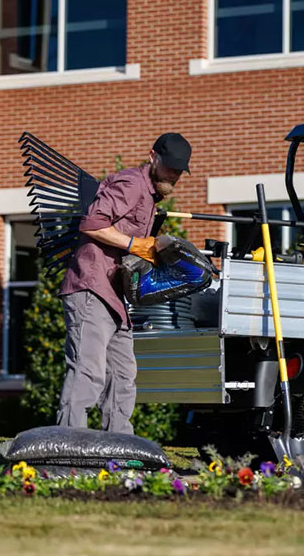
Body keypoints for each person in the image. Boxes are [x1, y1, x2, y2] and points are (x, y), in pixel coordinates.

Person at [56, 133, 190, 432]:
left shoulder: (151, 196)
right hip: (92, 289)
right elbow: (92, 223)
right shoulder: (132, 184)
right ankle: (65, 449)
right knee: (87, 372)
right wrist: (135, 244)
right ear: (152, 156)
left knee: (123, 375)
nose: (174, 175)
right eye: (170, 167)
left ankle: (119, 447)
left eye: (179, 171)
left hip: (116, 297)